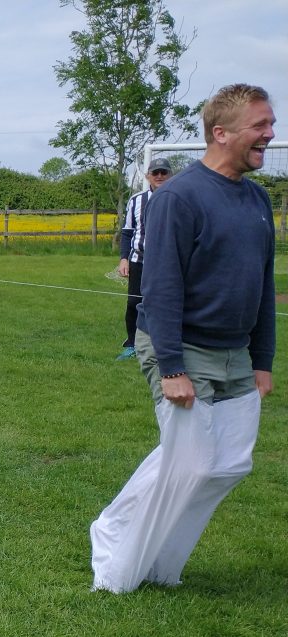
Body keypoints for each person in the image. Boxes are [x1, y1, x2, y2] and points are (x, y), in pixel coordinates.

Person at [90, 83, 277, 593]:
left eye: (270, 123)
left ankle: (159, 562)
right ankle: (115, 547)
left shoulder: (257, 198)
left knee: (228, 465)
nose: (270, 133)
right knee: (191, 463)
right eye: (260, 125)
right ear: (221, 133)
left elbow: (263, 283)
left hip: (236, 353)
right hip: (180, 348)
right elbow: (161, 285)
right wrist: (171, 366)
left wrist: (262, 360)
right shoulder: (179, 196)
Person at [115, 158, 172, 360]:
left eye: (163, 172)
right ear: (148, 176)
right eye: (155, 173)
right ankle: (132, 343)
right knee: (134, 303)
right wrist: (123, 259)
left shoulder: (179, 198)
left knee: (166, 303)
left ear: (170, 175)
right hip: (139, 260)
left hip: (168, 263)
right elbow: (128, 231)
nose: (159, 176)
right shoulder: (136, 200)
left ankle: (166, 344)